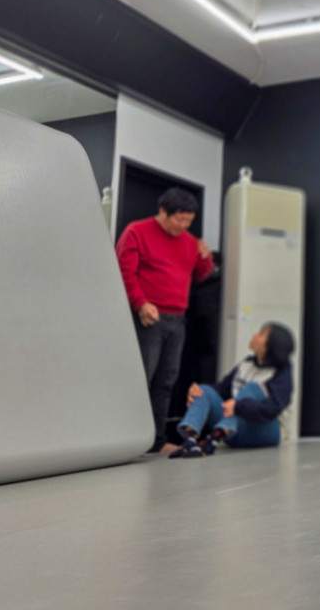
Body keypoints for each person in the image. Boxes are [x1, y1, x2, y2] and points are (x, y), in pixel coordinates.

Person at [116, 188, 214, 454]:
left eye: (188, 221)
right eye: (179, 219)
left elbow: (200, 275)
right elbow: (124, 272)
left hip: (177, 319)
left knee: (166, 383)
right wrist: (140, 303)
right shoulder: (137, 231)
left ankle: (156, 441)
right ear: (163, 211)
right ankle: (128, 440)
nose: (183, 226)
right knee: (141, 380)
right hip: (149, 317)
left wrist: (205, 257)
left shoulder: (189, 241)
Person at [169, 322, 295, 458]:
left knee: (251, 388)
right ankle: (190, 440)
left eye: (261, 334)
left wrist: (238, 407)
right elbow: (222, 389)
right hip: (235, 430)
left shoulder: (281, 371)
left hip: (266, 432)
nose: (255, 335)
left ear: (270, 346)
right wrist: (197, 391)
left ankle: (213, 440)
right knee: (204, 390)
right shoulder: (247, 364)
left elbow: (273, 407)